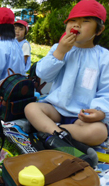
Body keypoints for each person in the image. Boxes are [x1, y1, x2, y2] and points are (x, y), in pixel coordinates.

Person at [24, 0, 109, 147]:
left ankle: (50, 133)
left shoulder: (104, 57)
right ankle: (61, 136)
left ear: (99, 30)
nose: (76, 25)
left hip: (82, 117)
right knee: (31, 108)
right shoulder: (59, 48)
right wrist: (60, 52)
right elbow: (43, 74)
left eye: (86, 21)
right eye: (73, 20)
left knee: (99, 132)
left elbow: (106, 91)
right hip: (56, 109)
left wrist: (100, 111)